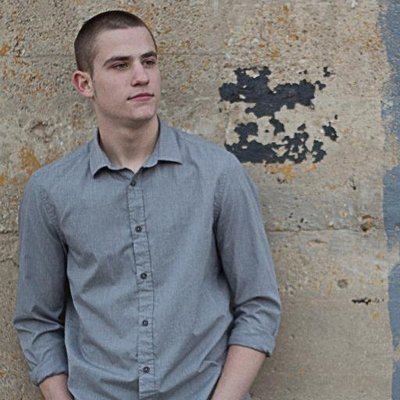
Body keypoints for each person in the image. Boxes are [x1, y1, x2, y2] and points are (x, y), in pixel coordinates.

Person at [14, 10, 281, 400]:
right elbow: (37, 320)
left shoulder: (218, 174)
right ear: (85, 84)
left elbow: (258, 305)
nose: (141, 76)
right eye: (120, 65)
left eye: (149, 61)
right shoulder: (50, 191)